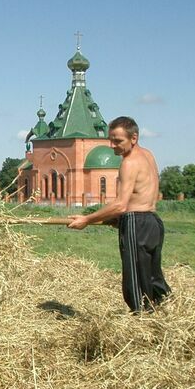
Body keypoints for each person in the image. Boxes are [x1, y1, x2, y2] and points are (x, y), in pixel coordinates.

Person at [67, 116, 171, 313]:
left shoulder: (128, 163)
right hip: (153, 222)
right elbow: (141, 194)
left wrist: (86, 219)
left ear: (134, 138)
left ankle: (141, 318)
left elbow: (121, 205)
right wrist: (115, 218)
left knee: (135, 279)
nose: (111, 145)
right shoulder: (148, 155)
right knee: (152, 275)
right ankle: (163, 312)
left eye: (118, 141)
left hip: (136, 223)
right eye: (110, 140)